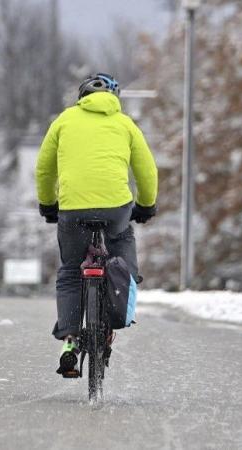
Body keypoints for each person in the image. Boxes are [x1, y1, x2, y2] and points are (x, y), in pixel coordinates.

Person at [34, 73, 158, 376]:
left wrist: (48, 205)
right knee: (122, 242)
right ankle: (121, 288)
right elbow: (147, 171)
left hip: (72, 209)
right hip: (116, 208)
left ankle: (70, 339)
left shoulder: (64, 120)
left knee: (70, 270)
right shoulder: (125, 123)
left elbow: (44, 169)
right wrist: (146, 206)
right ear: (115, 98)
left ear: (82, 97)